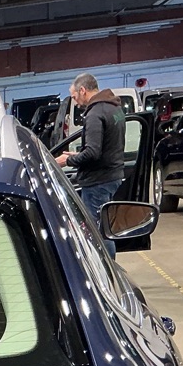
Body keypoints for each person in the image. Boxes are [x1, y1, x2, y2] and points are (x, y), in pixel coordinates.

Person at [56, 73, 125, 257]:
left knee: (97, 234)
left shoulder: (95, 113)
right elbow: (106, 146)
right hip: (112, 176)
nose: (75, 101)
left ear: (83, 90)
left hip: (98, 181)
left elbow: (93, 153)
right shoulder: (114, 108)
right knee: (104, 229)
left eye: (74, 96)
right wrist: (79, 155)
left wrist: (66, 161)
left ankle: (106, 270)